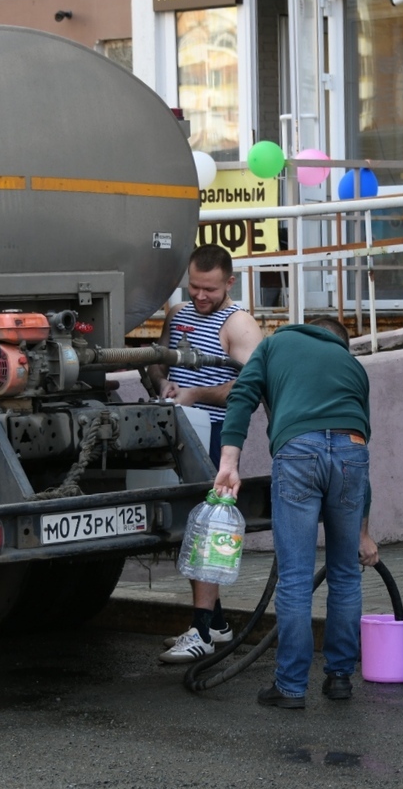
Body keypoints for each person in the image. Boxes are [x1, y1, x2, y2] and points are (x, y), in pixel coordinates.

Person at [213, 317, 370, 708]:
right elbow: (360, 443)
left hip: (299, 451)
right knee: (346, 573)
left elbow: (242, 396)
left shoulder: (273, 345)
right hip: (351, 452)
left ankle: (291, 686)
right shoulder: (352, 365)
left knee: (297, 577)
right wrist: (364, 532)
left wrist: (229, 462)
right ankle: (339, 679)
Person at [150, 244, 263, 664]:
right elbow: (158, 361)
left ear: (230, 282)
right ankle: (214, 622)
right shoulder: (178, 314)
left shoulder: (239, 325)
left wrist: (196, 394)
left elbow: (252, 385)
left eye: (210, 290)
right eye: (194, 287)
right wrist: (161, 381)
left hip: (215, 435)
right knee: (189, 525)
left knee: (207, 529)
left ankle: (200, 632)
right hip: (178, 429)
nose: (200, 296)